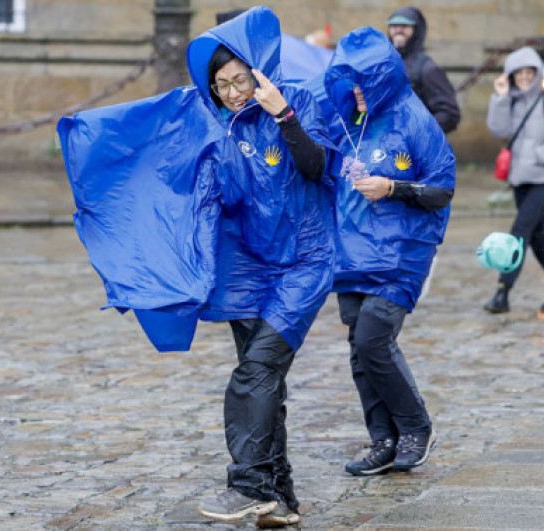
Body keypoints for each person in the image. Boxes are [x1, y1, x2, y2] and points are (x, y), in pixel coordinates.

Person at [58, 7, 333, 527]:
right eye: (222, 84)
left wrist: (283, 115)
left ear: (261, 75)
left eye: (240, 81)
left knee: (254, 374)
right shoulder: (214, 125)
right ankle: (280, 497)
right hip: (247, 268)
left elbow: (317, 167)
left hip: (301, 263)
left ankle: (249, 486)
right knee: (266, 382)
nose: (231, 93)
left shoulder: (299, 103)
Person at [322, 27, 455, 476]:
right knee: (360, 351)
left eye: (365, 81)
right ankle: (383, 439)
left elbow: (442, 189)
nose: (356, 91)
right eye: (349, 81)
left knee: (373, 339)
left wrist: (393, 187)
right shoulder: (350, 119)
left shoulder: (415, 119)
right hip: (352, 253)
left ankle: (416, 427)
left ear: (384, 77)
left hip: (401, 252)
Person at [483, 46, 544, 314]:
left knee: (520, 231)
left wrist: (538, 154)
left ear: (536, 72)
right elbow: (499, 129)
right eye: (517, 73)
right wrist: (500, 97)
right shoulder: (511, 98)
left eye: (528, 72)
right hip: (521, 180)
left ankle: (502, 291)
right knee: (538, 237)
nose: (523, 77)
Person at [386, 6, 461, 133]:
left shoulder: (427, 68)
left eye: (404, 26)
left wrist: (417, 132)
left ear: (416, 30)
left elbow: (449, 113)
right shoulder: (385, 64)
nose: (398, 30)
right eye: (394, 26)